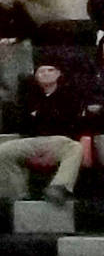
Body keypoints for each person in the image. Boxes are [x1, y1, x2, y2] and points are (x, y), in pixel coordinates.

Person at [0, 55, 83, 206]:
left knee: (75, 147)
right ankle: (19, 195)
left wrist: (39, 114)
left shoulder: (69, 96)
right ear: (35, 76)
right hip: (33, 141)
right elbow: (23, 124)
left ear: (58, 74)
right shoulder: (28, 97)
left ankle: (59, 187)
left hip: (59, 141)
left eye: (50, 70)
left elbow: (67, 123)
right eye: (41, 71)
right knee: (3, 150)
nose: (45, 73)